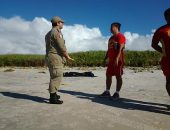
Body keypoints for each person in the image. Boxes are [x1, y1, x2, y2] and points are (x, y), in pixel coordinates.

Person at [45, 16, 74, 104]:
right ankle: (53, 97)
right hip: (55, 57)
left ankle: (54, 93)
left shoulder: (48, 33)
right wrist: (67, 57)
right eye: (62, 22)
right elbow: (62, 47)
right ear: (57, 23)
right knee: (57, 76)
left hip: (50, 57)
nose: (63, 23)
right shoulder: (57, 32)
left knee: (54, 75)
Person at [100, 22, 126, 100]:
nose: (110, 29)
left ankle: (117, 93)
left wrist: (117, 58)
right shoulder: (111, 38)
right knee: (108, 75)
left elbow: (121, 46)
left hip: (118, 60)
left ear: (116, 27)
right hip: (111, 61)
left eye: (112, 27)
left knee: (118, 76)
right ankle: (107, 91)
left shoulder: (120, 36)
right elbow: (109, 50)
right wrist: (105, 59)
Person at [152, 8, 170, 110]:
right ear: (166, 17)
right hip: (167, 60)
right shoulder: (161, 30)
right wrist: (163, 52)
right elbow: (154, 44)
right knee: (169, 81)